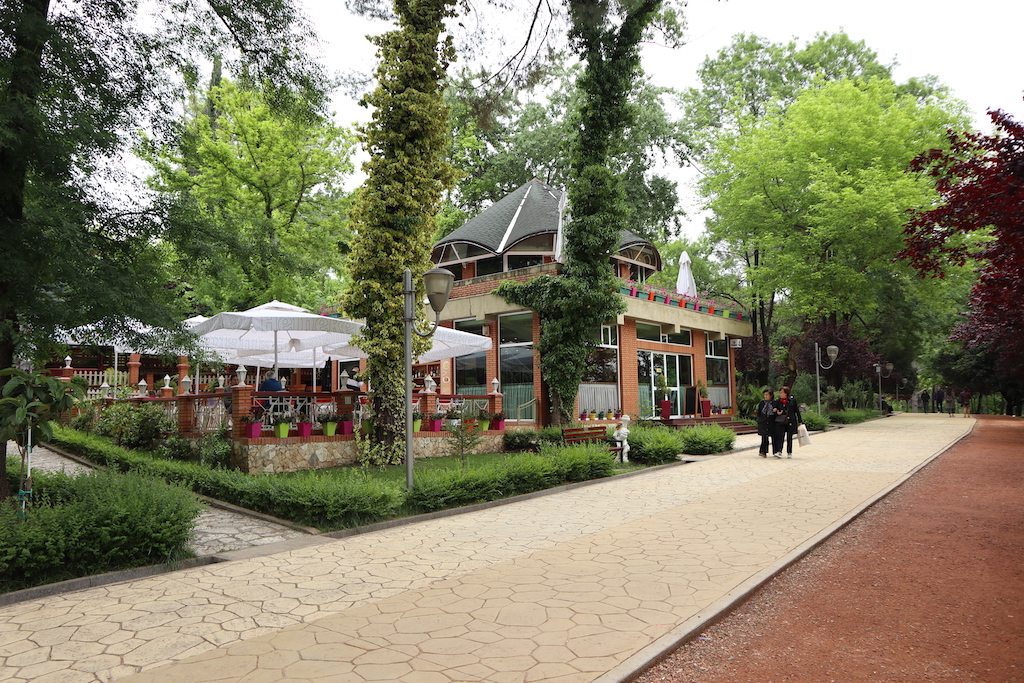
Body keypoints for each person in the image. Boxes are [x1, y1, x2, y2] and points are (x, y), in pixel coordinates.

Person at [772, 385, 803, 459]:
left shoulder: (792, 400)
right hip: (781, 420)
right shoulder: (778, 401)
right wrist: (777, 412)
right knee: (780, 436)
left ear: (786, 393)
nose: (780, 394)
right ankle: (779, 451)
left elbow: (796, 411)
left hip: (790, 420)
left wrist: (800, 421)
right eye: (780, 392)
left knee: (789, 437)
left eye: (782, 392)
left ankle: (789, 452)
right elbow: (774, 410)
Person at [755, 389, 775, 458]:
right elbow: (759, 412)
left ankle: (775, 451)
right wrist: (759, 420)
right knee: (764, 437)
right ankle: (763, 451)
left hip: (772, 422)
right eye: (764, 395)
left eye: (767, 395)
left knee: (773, 437)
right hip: (763, 422)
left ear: (771, 395)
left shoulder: (774, 403)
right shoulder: (762, 403)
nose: (765, 396)